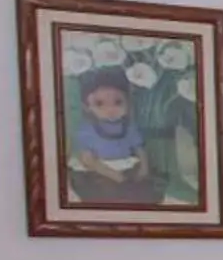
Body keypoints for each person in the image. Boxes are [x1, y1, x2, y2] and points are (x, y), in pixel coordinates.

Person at [66, 64, 159, 206]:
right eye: (99, 104)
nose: (110, 109)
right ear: (87, 106)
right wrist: (115, 176)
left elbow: (139, 149)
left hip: (126, 167)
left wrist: (143, 168)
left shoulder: (129, 127)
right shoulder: (87, 130)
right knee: (104, 193)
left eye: (118, 102)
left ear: (128, 102)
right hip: (99, 170)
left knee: (146, 191)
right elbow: (88, 160)